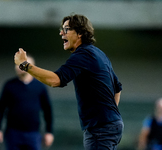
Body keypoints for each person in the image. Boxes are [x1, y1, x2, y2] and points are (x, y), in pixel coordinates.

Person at [14, 14, 123, 150]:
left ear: (80, 33)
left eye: (66, 29)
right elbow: (117, 88)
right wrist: (110, 116)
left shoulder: (83, 55)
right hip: (111, 125)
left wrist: (25, 65)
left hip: (100, 129)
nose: (61, 33)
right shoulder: (98, 53)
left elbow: (55, 80)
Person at [0, 54, 54, 150]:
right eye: (18, 64)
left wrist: (49, 132)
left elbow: (47, 110)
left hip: (33, 134)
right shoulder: (9, 86)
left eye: (24, 64)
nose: (20, 67)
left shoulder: (40, 87)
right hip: (13, 134)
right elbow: (1, 109)